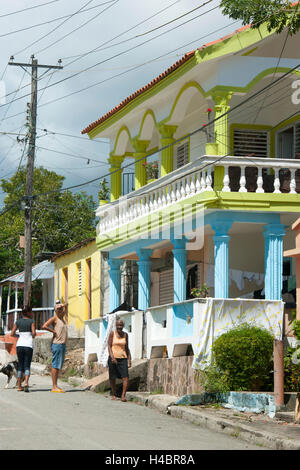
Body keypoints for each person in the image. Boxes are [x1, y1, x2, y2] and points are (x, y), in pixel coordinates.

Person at [42, 301, 68, 393]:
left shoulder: (62, 318)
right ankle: (54, 386)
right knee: (55, 365)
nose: (60, 310)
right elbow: (44, 326)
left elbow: (66, 305)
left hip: (62, 344)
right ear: (55, 310)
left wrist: (62, 305)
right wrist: (53, 331)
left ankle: (56, 385)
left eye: (61, 309)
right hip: (57, 344)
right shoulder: (55, 318)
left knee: (58, 366)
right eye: (58, 309)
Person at [11, 305, 36, 392]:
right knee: (27, 365)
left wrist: (19, 335)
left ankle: (19, 386)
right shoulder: (31, 321)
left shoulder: (18, 322)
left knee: (20, 365)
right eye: (31, 312)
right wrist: (31, 335)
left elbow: (12, 333)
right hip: (28, 345)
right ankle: (26, 383)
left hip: (19, 345)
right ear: (28, 312)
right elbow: (33, 333)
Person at [108, 318, 131, 402]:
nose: (119, 327)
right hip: (113, 358)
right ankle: (114, 394)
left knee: (125, 377)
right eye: (118, 325)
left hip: (123, 358)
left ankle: (123, 396)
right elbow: (109, 346)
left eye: (121, 325)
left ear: (123, 326)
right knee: (112, 377)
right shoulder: (112, 334)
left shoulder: (125, 335)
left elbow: (127, 347)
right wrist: (112, 357)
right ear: (115, 325)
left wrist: (129, 360)